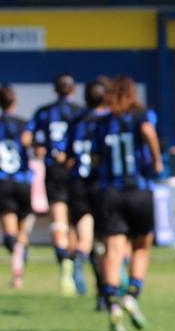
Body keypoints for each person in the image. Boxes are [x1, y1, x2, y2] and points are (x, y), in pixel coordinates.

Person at [91, 76, 164, 331]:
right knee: (141, 246)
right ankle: (132, 294)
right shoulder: (141, 116)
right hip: (138, 190)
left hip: (111, 192)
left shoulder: (102, 123)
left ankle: (112, 303)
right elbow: (148, 132)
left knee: (113, 250)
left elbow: (95, 159)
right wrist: (157, 161)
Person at [28, 73, 84, 295]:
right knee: (75, 222)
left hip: (54, 171)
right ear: (73, 89)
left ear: (55, 90)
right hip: (76, 170)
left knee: (59, 220)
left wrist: (40, 149)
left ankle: (65, 266)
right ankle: (77, 260)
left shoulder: (44, 112)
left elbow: (30, 139)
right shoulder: (80, 113)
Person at [64, 77, 111, 302]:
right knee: (106, 241)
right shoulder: (109, 120)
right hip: (102, 185)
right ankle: (106, 289)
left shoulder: (76, 121)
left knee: (86, 236)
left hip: (78, 184)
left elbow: (67, 158)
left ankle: (80, 256)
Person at [0, 84, 33, 289]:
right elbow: (33, 147)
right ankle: (18, 271)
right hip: (23, 182)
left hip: (3, 182)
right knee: (22, 230)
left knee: (10, 232)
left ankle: (17, 270)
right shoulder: (24, 125)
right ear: (15, 101)